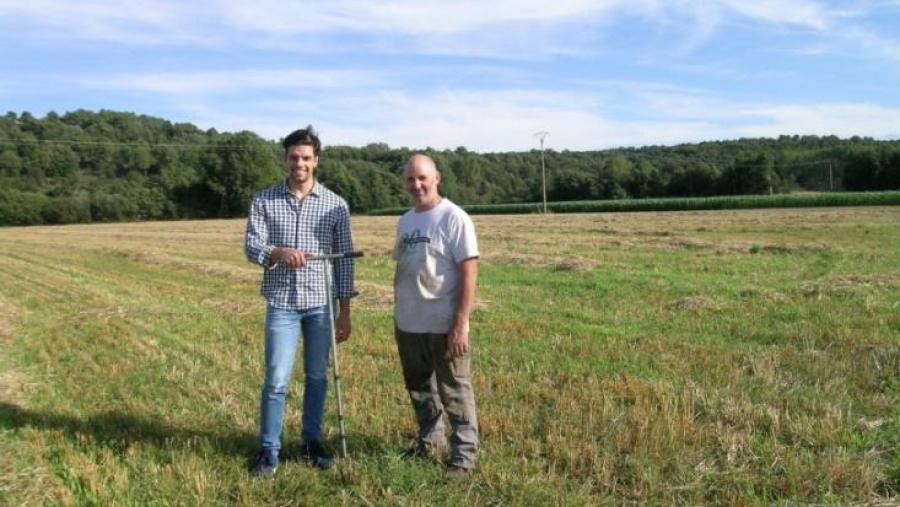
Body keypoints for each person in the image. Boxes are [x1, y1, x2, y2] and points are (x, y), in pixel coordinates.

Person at [244, 125, 355, 477]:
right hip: (282, 303)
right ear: (285, 159)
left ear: (316, 161)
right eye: (294, 157)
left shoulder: (337, 205)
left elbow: (345, 261)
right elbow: (252, 246)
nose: (300, 163)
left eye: (306, 157)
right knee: (276, 378)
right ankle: (268, 450)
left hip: (320, 305)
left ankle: (311, 442)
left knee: (317, 377)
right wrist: (278, 252)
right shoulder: (264, 200)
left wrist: (344, 311)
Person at [392, 154, 480, 473]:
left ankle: (464, 457)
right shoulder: (405, 221)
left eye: (422, 178)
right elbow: (403, 267)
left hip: (443, 323)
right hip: (408, 322)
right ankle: (429, 442)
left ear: (437, 178)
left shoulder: (454, 217)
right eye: (410, 179)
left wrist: (460, 323)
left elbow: (469, 274)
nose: (416, 185)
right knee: (419, 389)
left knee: (455, 390)